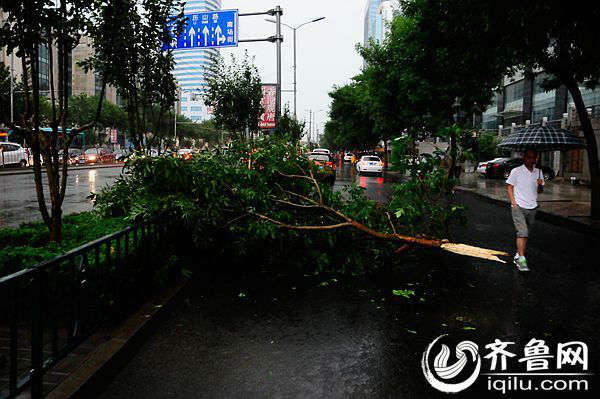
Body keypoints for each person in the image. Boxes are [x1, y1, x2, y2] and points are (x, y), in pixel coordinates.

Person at [506, 149, 544, 271]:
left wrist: (540, 185)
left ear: (536, 159)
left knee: (525, 233)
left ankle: (518, 255)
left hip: (533, 207)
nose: (531, 160)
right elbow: (509, 187)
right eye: (528, 157)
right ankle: (522, 260)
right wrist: (514, 203)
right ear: (524, 158)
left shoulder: (539, 172)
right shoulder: (516, 171)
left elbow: (539, 191)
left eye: (533, 157)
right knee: (522, 232)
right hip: (519, 206)